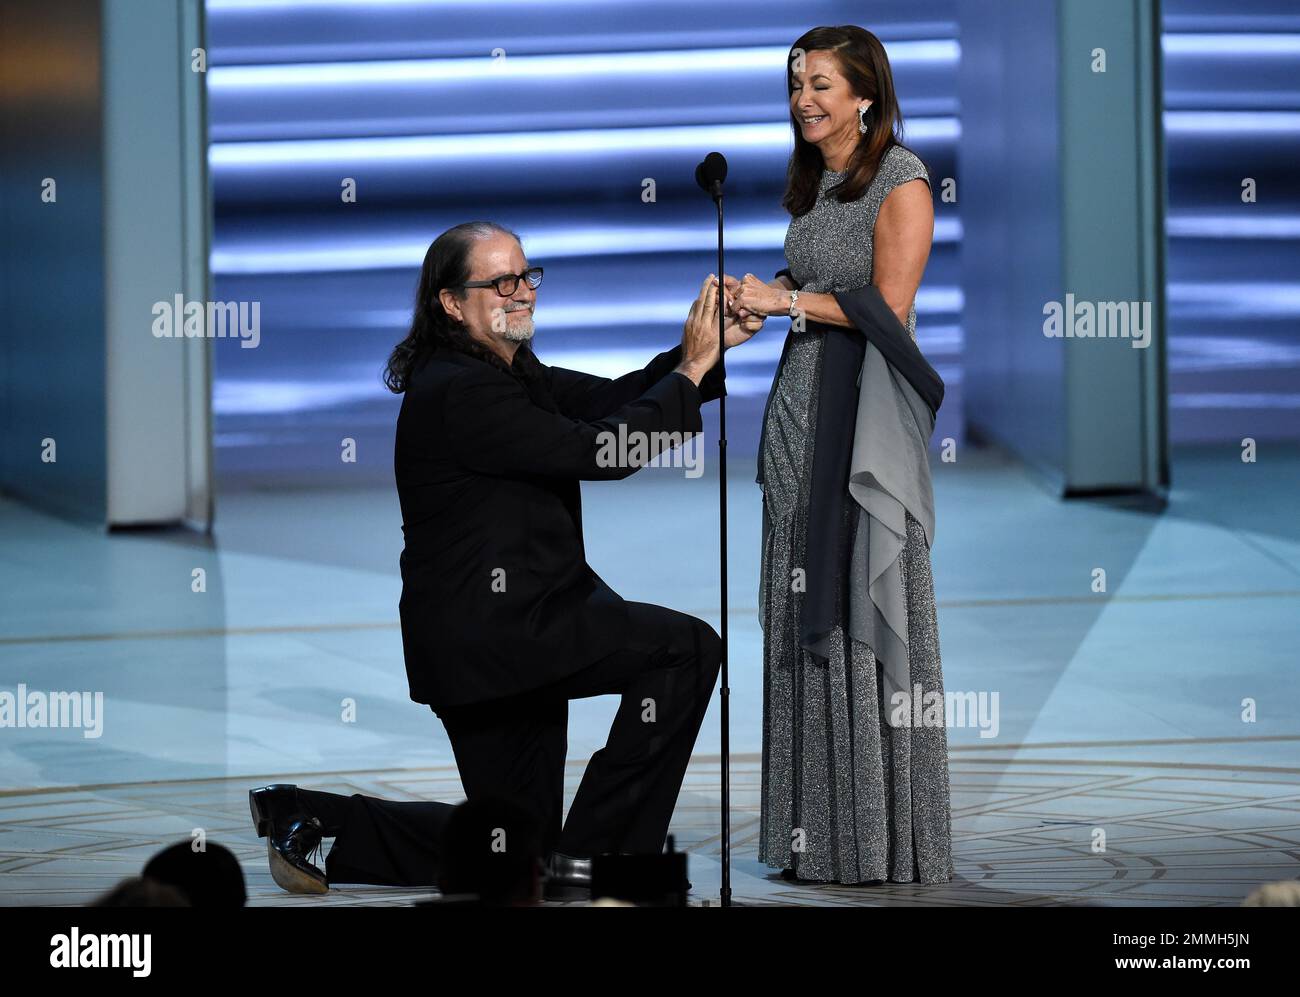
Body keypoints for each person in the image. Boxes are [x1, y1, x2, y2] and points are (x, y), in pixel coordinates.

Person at [250, 220, 762, 898]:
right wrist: (692, 370)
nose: (520, 293)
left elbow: (608, 403)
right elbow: (597, 452)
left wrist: (702, 356)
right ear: (451, 303)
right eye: (499, 282)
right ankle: (598, 864)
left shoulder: (508, 369)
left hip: (510, 634)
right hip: (502, 638)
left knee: (518, 851)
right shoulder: (462, 389)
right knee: (685, 649)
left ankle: (311, 815)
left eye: (525, 276)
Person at [728, 25, 955, 885]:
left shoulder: (902, 178)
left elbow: (886, 311)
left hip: (862, 422)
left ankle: (877, 837)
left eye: (821, 84)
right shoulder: (816, 184)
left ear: (865, 94)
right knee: (798, 606)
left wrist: (785, 299)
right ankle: (813, 835)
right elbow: (816, 302)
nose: (804, 101)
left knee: (859, 594)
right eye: (795, 85)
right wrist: (758, 308)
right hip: (798, 413)